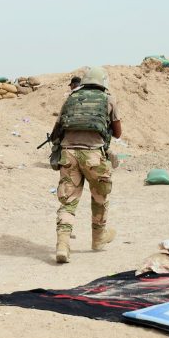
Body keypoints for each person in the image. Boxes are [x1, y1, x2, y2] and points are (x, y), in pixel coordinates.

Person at [48, 66, 121, 264]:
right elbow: (118, 132)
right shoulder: (108, 99)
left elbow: (57, 130)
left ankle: (63, 245)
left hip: (68, 154)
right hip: (94, 156)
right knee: (100, 197)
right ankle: (98, 239)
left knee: (68, 202)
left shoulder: (71, 97)